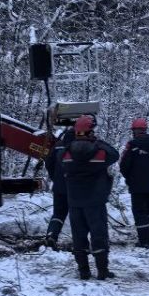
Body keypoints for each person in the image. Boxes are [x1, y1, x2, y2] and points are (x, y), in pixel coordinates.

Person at [61, 115, 119, 280]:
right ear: (91, 131)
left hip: (74, 202)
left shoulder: (67, 153)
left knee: (78, 236)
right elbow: (114, 154)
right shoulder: (100, 152)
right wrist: (98, 142)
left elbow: (59, 159)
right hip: (95, 201)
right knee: (99, 234)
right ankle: (102, 271)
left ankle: (84, 271)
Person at [119, 117, 149, 247]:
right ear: (145, 130)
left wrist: (129, 177)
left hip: (137, 186)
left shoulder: (132, 146)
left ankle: (144, 241)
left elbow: (123, 165)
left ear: (134, 131)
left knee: (140, 212)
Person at [42, 124, 76, 248]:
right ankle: (80, 241)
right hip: (75, 188)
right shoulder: (79, 147)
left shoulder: (58, 145)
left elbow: (48, 162)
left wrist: (55, 177)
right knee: (77, 214)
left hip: (59, 187)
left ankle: (51, 235)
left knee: (58, 214)